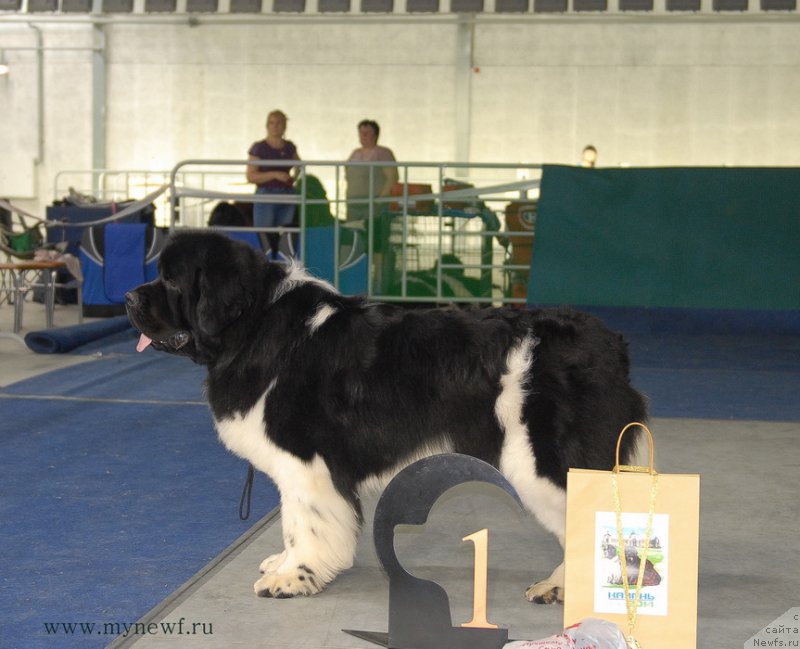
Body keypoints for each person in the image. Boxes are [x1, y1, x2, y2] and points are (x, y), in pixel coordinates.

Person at [246, 110, 300, 253]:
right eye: (272, 123)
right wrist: (275, 175)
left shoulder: (290, 147)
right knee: (265, 236)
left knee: (285, 236)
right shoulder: (259, 147)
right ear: (267, 126)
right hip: (266, 194)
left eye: (279, 123)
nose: (275, 126)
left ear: (285, 126)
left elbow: (299, 166)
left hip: (287, 194)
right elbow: (251, 176)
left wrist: (294, 177)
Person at [345, 119, 398, 222]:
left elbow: (392, 177)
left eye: (367, 133)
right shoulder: (355, 153)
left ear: (375, 135)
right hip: (353, 204)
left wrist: (381, 199)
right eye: (361, 133)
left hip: (373, 205)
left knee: (374, 233)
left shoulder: (383, 153)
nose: (363, 136)